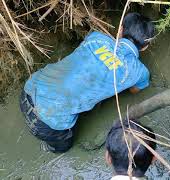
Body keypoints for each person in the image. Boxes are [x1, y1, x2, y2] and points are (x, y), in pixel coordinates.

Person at [19, 13, 155, 153]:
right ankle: (49, 147)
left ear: (120, 29)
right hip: (48, 126)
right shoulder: (140, 72)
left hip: (28, 90)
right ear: (146, 46)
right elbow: (134, 90)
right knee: (64, 146)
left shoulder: (96, 37)